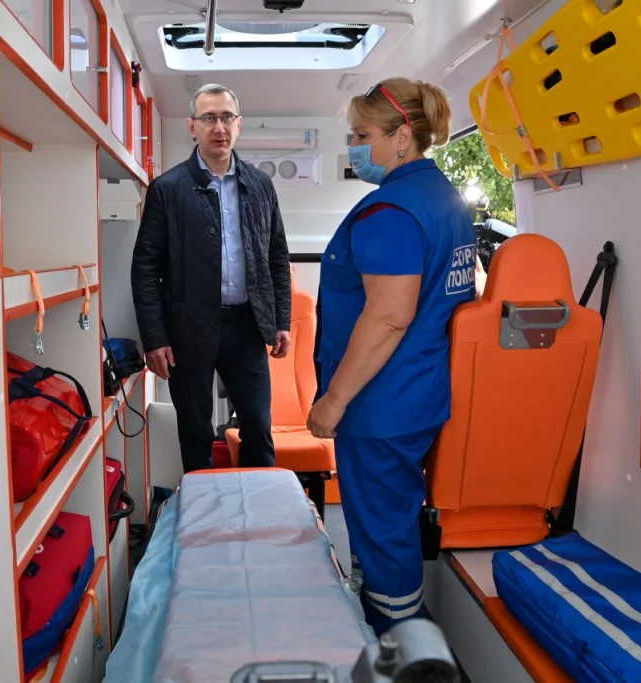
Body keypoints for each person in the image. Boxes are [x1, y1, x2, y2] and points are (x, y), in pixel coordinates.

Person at [307, 78, 478, 635]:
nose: (354, 147)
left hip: (379, 404)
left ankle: (402, 648)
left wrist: (334, 401)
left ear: (402, 136)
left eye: (362, 135)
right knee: (389, 525)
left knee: (383, 533)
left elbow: (388, 317)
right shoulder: (444, 199)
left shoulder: (392, 211)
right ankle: (386, 623)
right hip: (417, 393)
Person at [131, 83, 292, 474]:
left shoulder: (260, 185)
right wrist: (155, 338)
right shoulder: (167, 189)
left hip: (247, 326)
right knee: (195, 430)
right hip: (188, 329)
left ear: (239, 124)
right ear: (193, 127)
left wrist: (281, 321)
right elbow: (145, 268)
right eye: (209, 118)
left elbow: (276, 256)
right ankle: (202, 508)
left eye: (226, 117)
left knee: (257, 425)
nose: (219, 127)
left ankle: (258, 504)